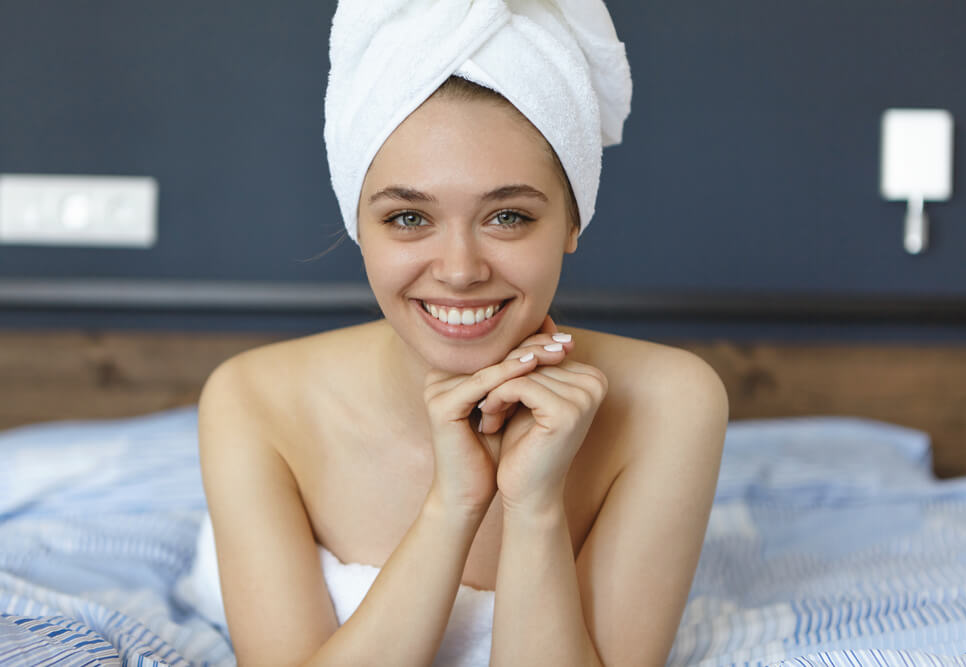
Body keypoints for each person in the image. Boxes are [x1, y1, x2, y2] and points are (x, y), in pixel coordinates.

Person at [192, 2, 728, 665]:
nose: (459, 270)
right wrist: (455, 504)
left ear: (571, 221)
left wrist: (534, 507)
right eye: (409, 218)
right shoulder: (252, 400)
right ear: (359, 223)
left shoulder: (671, 402)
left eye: (507, 215)